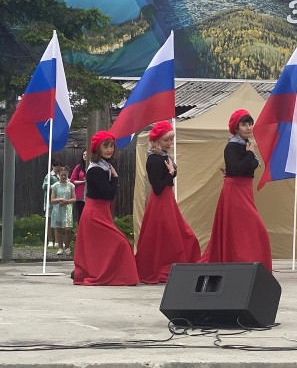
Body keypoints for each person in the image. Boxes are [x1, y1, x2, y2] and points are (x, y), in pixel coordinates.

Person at [199, 110, 272, 271]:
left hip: (245, 190)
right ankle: (241, 263)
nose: (248, 127)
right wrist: (250, 154)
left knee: (244, 229)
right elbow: (235, 169)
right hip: (235, 191)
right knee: (250, 229)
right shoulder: (232, 146)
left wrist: (249, 154)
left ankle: (247, 263)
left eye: (250, 124)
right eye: (244, 124)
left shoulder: (246, 145)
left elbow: (245, 167)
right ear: (236, 128)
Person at [135, 121, 201, 283]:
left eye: (171, 139)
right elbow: (157, 187)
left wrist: (171, 172)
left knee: (175, 235)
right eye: (166, 140)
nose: (170, 143)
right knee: (168, 236)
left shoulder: (163, 156)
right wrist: (170, 173)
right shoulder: (154, 159)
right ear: (156, 140)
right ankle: (163, 266)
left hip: (167, 199)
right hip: (161, 201)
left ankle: (172, 265)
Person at [73, 131, 139, 286]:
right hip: (95, 212)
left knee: (104, 247)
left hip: (101, 210)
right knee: (121, 243)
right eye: (105, 146)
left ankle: (110, 273)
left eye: (111, 146)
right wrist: (115, 178)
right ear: (97, 148)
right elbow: (109, 194)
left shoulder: (104, 166)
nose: (109, 149)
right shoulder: (96, 169)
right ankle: (109, 274)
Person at [50, 166, 76, 256]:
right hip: (58, 209)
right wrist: (61, 199)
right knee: (58, 228)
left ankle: (67, 247)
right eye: (62, 175)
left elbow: (74, 198)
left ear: (67, 175)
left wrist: (67, 201)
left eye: (65, 175)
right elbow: (52, 200)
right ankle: (60, 248)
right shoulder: (55, 186)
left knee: (68, 229)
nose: (64, 177)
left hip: (67, 209)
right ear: (59, 175)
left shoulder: (71, 185)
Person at [42, 158, 62, 248]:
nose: (57, 168)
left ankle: (57, 241)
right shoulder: (49, 176)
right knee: (49, 220)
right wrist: (54, 186)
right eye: (55, 166)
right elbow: (44, 187)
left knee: (57, 221)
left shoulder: (60, 175)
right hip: (50, 201)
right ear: (52, 166)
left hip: (59, 201)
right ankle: (50, 240)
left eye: (58, 166)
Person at [70, 151, 87, 224]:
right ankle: (80, 229)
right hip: (80, 195)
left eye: (86, 154)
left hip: (91, 194)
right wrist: (83, 182)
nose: (85, 156)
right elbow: (72, 180)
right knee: (81, 213)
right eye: (83, 154)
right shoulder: (78, 167)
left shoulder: (94, 166)